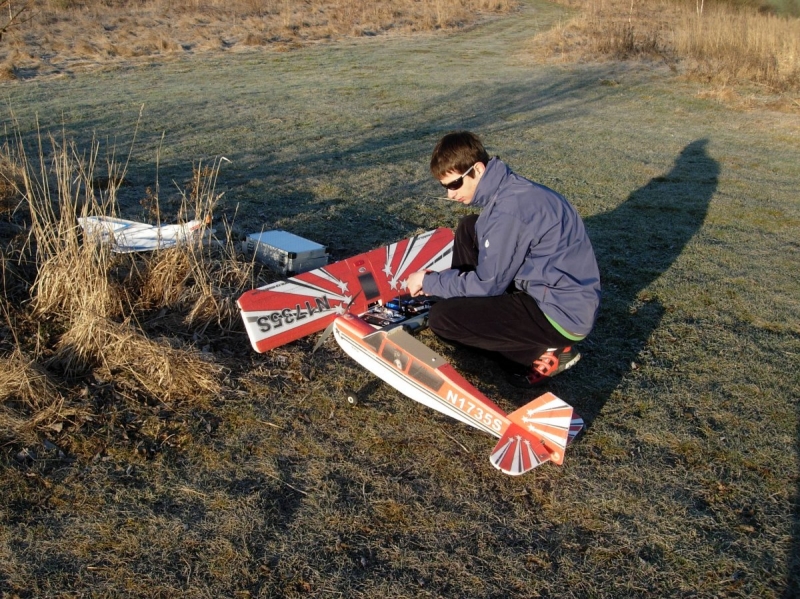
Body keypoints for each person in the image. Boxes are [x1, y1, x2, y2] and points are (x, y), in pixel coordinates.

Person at [406, 131, 601, 388]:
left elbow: (488, 284)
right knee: (469, 227)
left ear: (477, 169)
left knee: (442, 319)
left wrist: (431, 282)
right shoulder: (513, 189)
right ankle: (472, 310)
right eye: (445, 188)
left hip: (559, 313)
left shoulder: (510, 211)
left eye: (454, 185)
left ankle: (541, 353)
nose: (450, 195)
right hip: (561, 290)